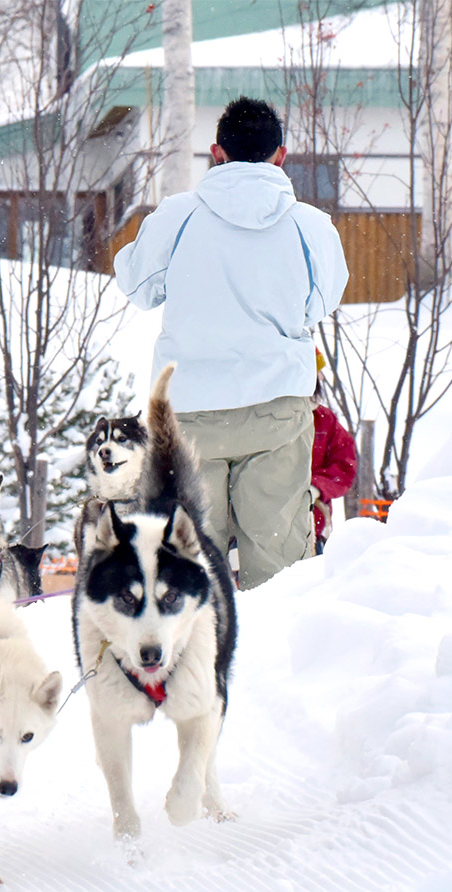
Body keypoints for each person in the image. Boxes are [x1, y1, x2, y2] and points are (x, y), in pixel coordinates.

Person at [113, 96, 349, 589]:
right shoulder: (311, 226)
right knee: (281, 567)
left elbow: (137, 286)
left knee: (191, 566)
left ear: (216, 153)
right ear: (280, 156)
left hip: (191, 415)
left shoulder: (178, 217)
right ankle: (283, 662)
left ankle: (199, 661)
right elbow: (320, 303)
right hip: (277, 409)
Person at [310, 349, 356, 554]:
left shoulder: (324, 420)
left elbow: (344, 468)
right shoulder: (265, 420)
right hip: (263, 528)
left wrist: (316, 488)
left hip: (312, 527)